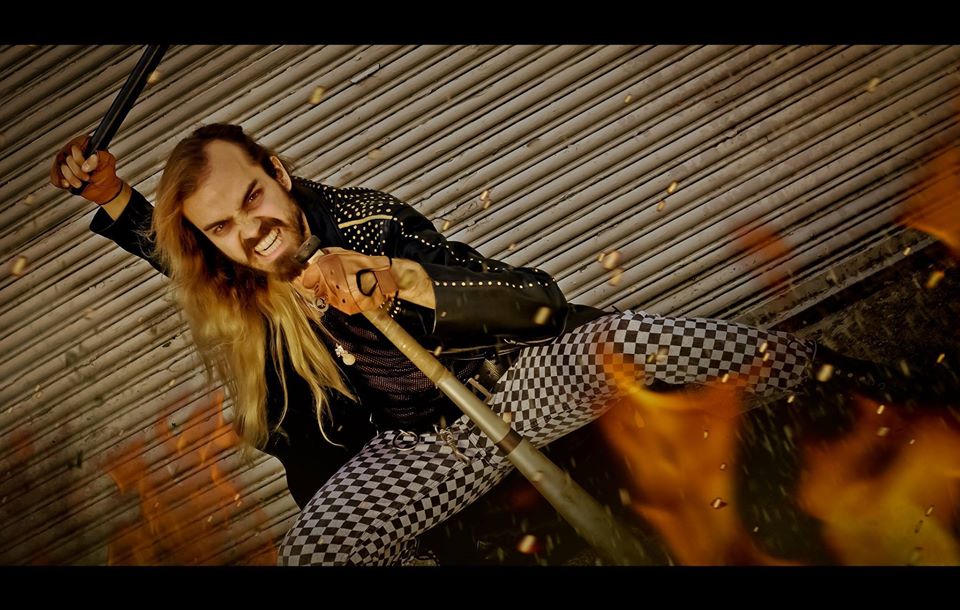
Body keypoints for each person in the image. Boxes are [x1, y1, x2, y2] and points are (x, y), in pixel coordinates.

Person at [50, 124, 945, 565]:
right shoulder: (236, 281)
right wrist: (114, 199)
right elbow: (172, 250)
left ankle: (845, 376)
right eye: (222, 227)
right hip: (416, 452)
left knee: (632, 338)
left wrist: (397, 280)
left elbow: (532, 303)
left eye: (254, 198)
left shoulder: (365, 219)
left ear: (279, 174)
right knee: (314, 553)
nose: (250, 229)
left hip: (511, 386)